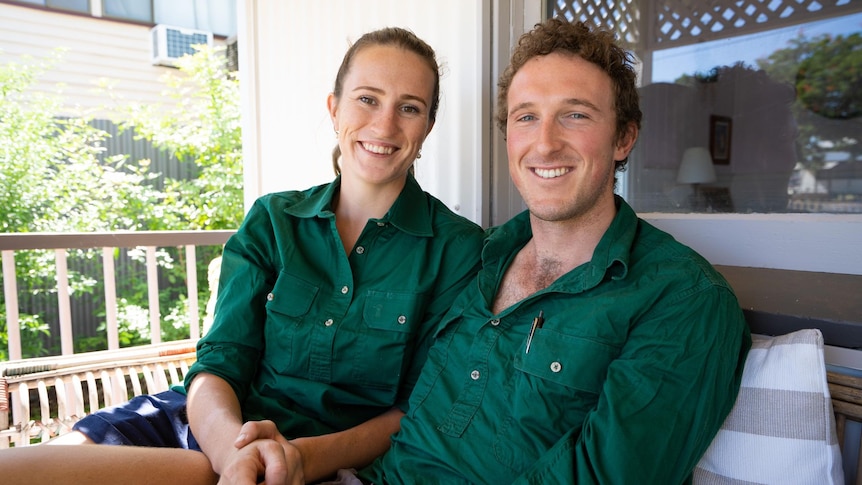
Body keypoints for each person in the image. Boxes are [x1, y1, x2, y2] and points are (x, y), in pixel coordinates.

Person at [0, 27, 484, 485]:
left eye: (409, 107)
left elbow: (415, 409)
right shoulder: (274, 220)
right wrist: (233, 454)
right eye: (367, 99)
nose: (384, 124)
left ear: (428, 126)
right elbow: (220, 362)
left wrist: (296, 458)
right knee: (22, 466)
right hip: (212, 423)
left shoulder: (456, 248)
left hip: (319, 458)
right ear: (334, 109)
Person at [357, 18, 751, 484]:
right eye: (526, 117)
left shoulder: (684, 300)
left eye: (575, 114)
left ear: (624, 137)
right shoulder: (478, 256)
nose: (545, 143)